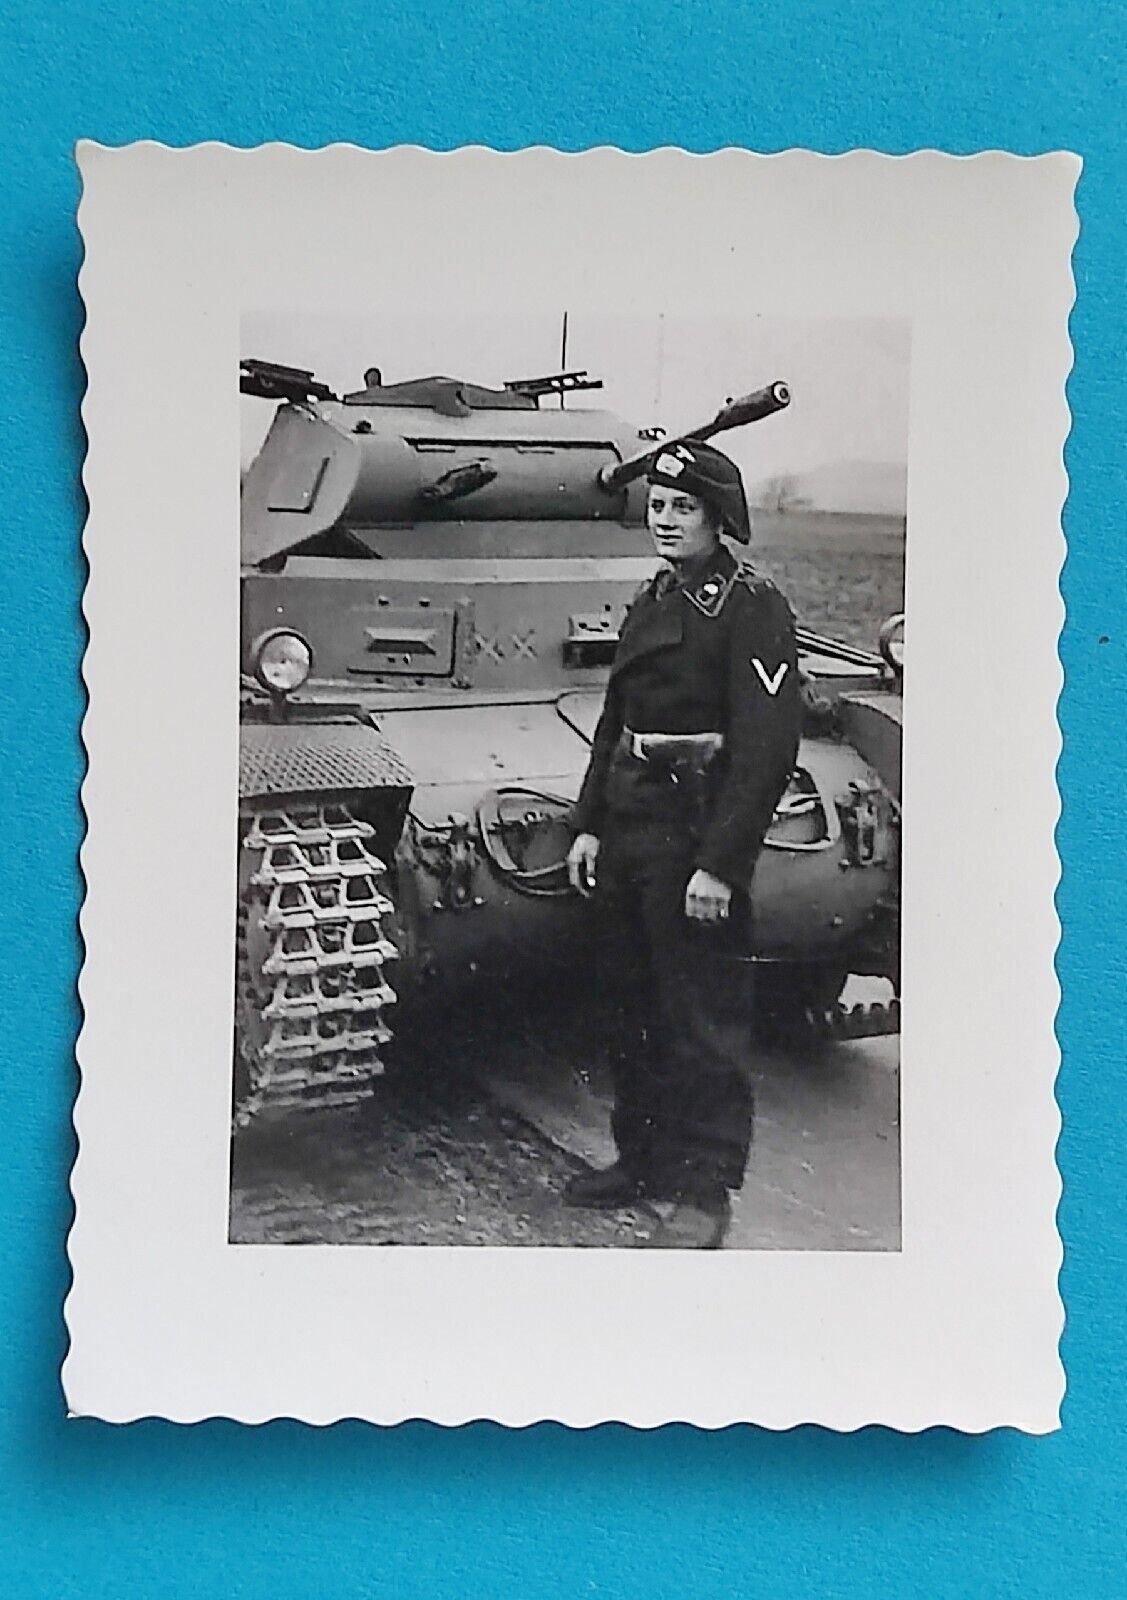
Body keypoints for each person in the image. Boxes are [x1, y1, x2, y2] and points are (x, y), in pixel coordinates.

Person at [565, 439, 801, 1248]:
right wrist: (588, 823)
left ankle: (704, 1192)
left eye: (683, 508)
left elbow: (766, 749)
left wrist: (720, 866)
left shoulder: (749, 605)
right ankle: (642, 1160)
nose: (665, 520)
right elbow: (614, 720)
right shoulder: (653, 594)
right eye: (657, 506)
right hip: (630, 825)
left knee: (701, 1020)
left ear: (717, 517)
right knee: (629, 1007)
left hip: (693, 836)